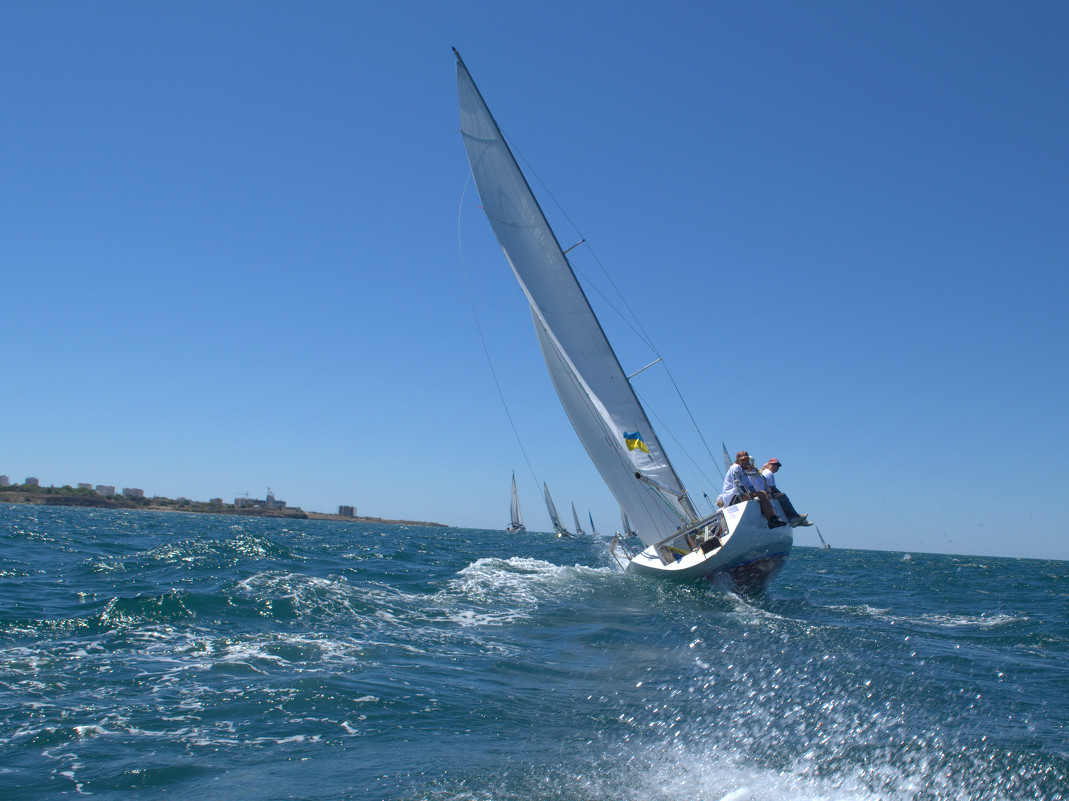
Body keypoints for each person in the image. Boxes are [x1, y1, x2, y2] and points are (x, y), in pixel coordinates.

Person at [719, 450, 786, 529]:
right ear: (738, 460)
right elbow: (739, 486)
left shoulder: (742, 470)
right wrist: (754, 496)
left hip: (739, 494)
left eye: (747, 460)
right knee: (762, 494)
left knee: (764, 493)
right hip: (733, 497)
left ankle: (773, 517)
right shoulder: (735, 467)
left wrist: (757, 494)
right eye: (743, 460)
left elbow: (749, 485)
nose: (745, 462)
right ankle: (771, 520)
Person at [760, 458, 813, 527]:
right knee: (782, 496)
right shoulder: (769, 473)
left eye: (778, 466)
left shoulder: (766, 472)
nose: (776, 467)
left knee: (781, 496)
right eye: (774, 465)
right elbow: (772, 488)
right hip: (766, 494)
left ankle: (796, 517)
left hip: (765, 492)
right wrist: (781, 494)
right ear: (769, 464)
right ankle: (794, 518)